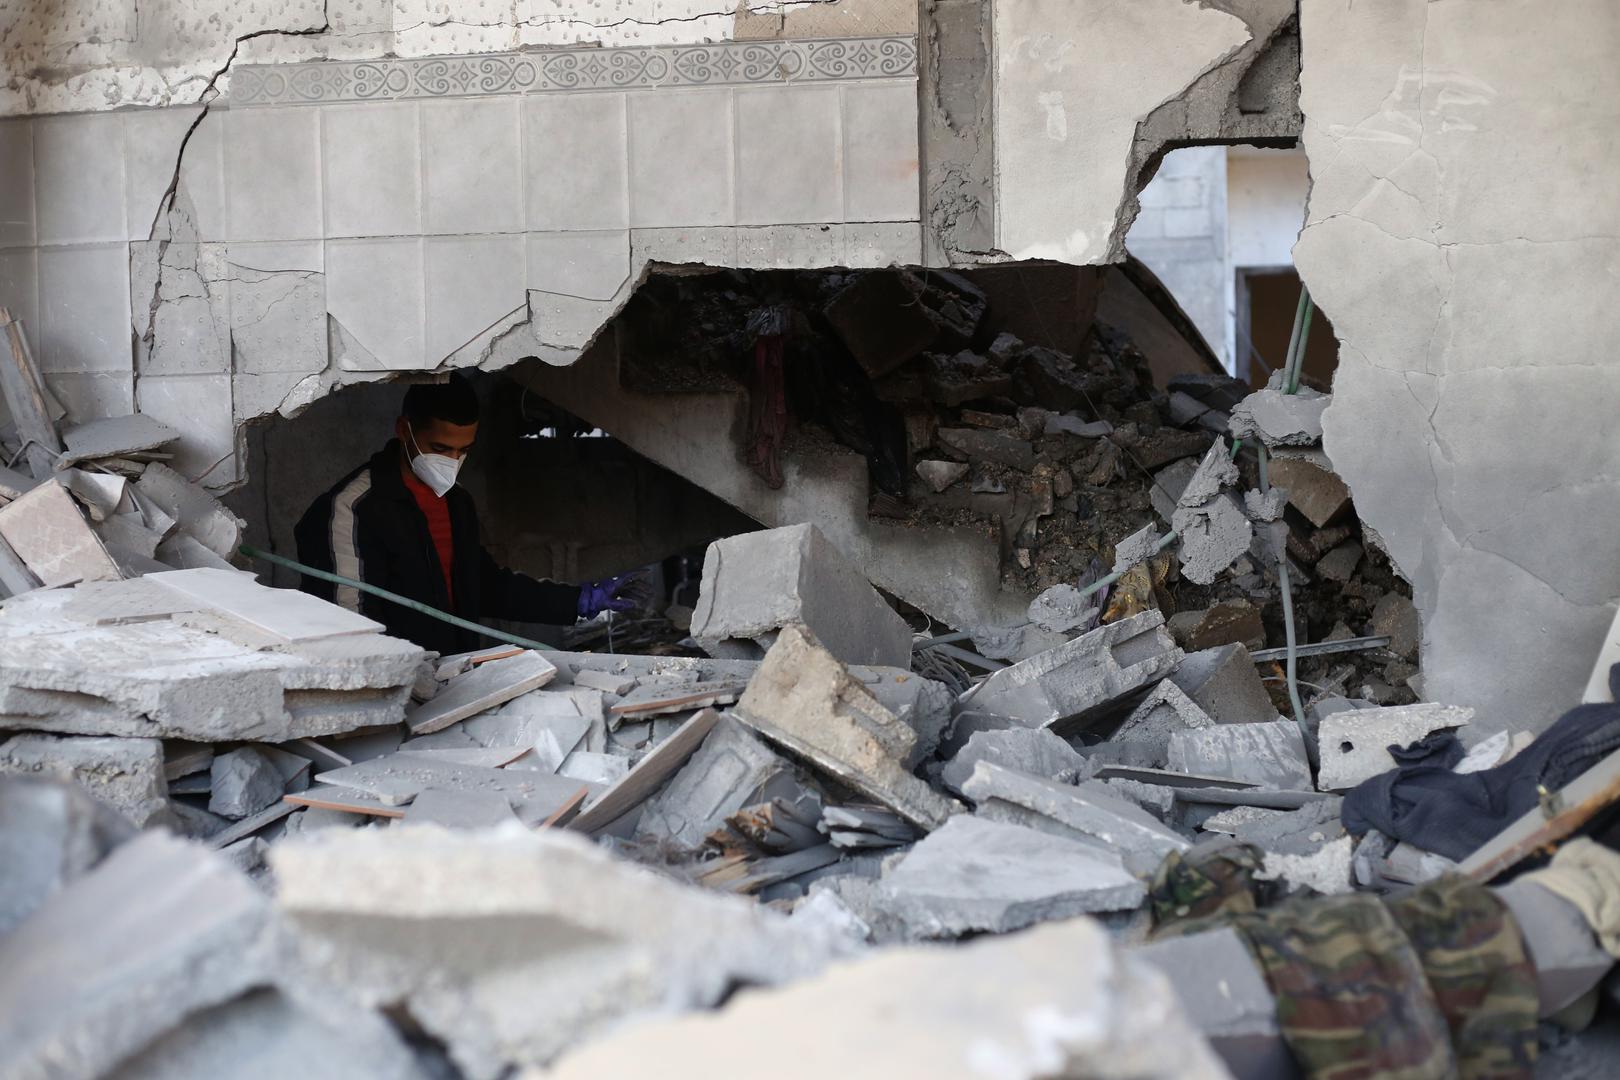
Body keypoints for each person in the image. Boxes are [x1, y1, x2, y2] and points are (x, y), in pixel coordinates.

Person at [294, 376, 647, 654]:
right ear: (404, 431)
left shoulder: (455, 501)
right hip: (396, 684)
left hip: (453, 677)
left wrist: (577, 600)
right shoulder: (353, 510)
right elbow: (350, 626)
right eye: (440, 448)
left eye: (463, 450)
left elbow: (483, 586)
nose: (451, 461)